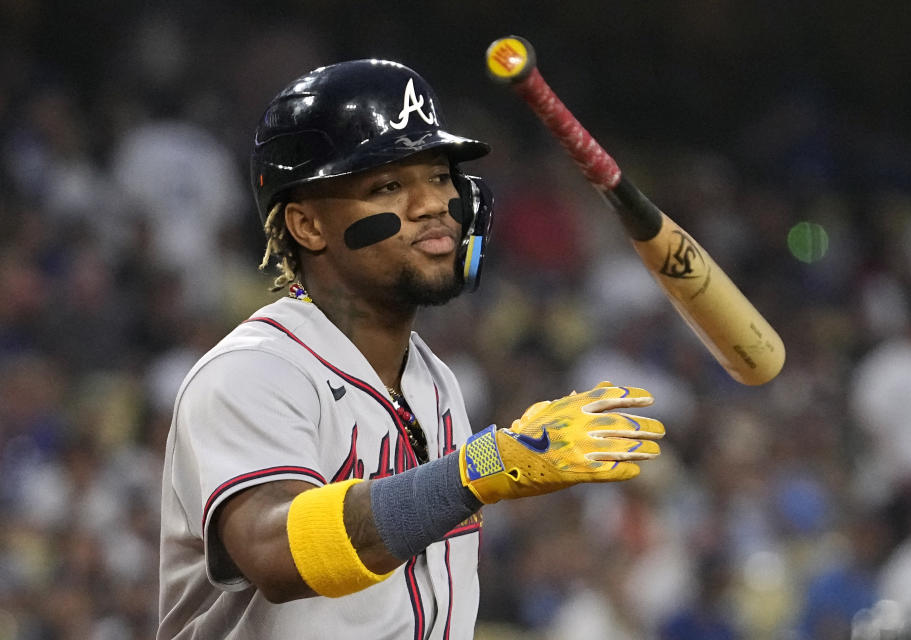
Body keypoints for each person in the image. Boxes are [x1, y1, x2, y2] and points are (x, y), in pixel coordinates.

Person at [157, 58, 666, 639]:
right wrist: (483, 467)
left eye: (441, 176)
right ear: (307, 226)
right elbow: (276, 553)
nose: (432, 204)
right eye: (389, 185)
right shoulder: (254, 371)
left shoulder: (434, 382)